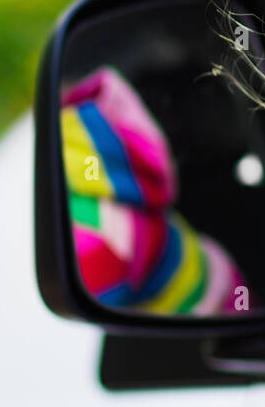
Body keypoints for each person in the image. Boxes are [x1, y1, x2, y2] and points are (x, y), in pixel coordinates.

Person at [61, 66, 250, 315]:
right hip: (215, 275)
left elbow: (103, 282)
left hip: (195, 318)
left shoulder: (85, 213)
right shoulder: (100, 137)